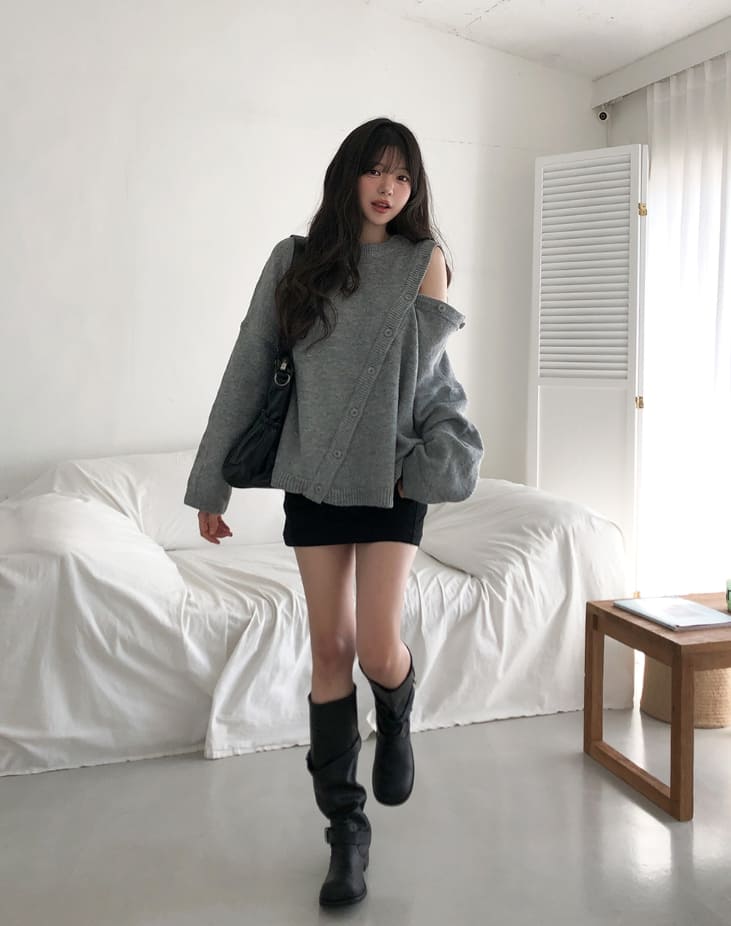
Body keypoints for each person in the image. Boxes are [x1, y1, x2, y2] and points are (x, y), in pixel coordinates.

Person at [184, 117, 483, 907]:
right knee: (329, 650)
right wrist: (210, 484)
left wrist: (427, 462)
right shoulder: (294, 262)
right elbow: (248, 368)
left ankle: (397, 709)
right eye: (375, 171)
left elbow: (426, 381)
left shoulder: (423, 262)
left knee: (377, 649)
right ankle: (346, 833)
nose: (389, 188)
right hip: (313, 478)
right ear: (347, 175)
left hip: (390, 481)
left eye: (403, 176)